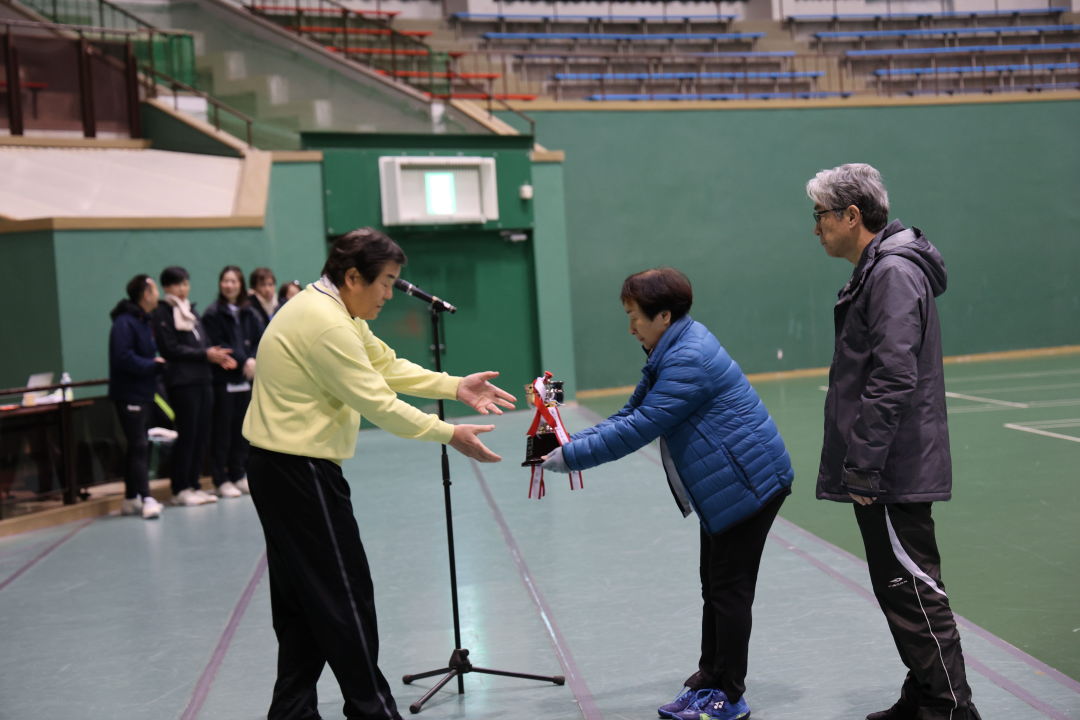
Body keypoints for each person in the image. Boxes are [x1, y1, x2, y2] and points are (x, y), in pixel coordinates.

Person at [242, 228, 516, 720]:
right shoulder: (326, 324)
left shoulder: (334, 310)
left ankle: (291, 712)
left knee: (303, 601)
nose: (390, 294)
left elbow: (385, 366)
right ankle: (373, 711)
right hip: (299, 470)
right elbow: (380, 404)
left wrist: (455, 386)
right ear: (353, 277)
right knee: (344, 596)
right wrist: (449, 433)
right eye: (386, 282)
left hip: (282, 467)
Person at [542, 267, 794, 720]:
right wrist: (569, 442)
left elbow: (641, 426)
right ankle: (710, 677)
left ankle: (730, 695)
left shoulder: (687, 358)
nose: (630, 327)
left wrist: (571, 457)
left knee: (729, 592)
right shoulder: (670, 348)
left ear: (663, 316)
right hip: (724, 486)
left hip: (748, 485)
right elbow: (630, 412)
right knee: (713, 587)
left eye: (634, 316)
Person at [807, 163, 982, 720]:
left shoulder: (892, 273)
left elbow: (893, 376)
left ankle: (950, 708)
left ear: (851, 215)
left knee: (913, 590)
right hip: (886, 464)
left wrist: (864, 464)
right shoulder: (879, 269)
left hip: (892, 467)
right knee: (898, 587)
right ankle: (926, 695)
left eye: (820, 215)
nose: (815, 227)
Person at [153, 266, 236, 507]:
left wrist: (217, 355)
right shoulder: (162, 312)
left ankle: (195, 485)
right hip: (182, 382)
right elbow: (170, 348)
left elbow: (205, 343)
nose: (182, 289)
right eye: (177, 284)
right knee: (187, 435)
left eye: (185, 284)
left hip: (203, 379)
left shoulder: (191, 311)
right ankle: (180, 488)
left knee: (202, 435)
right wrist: (204, 354)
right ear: (166, 287)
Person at [108, 274, 166, 520]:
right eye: (155, 290)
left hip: (144, 392)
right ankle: (147, 498)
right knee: (139, 445)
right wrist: (152, 364)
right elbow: (122, 357)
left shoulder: (144, 321)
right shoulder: (124, 323)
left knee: (138, 445)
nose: (158, 295)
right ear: (145, 294)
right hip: (129, 394)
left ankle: (130, 498)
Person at [202, 266, 262, 498]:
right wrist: (244, 360)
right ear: (220, 284)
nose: (229, 285)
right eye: (225, 281)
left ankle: (238, 474)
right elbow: (218, 344)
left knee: (242, 429)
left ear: (241, 284)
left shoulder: (250, 312)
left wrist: (253, 359)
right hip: (223, 381)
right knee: (222, 431)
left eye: (234, 281)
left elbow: (260, 338)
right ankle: (221, 479)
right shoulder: (212, 314)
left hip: (245, 380)